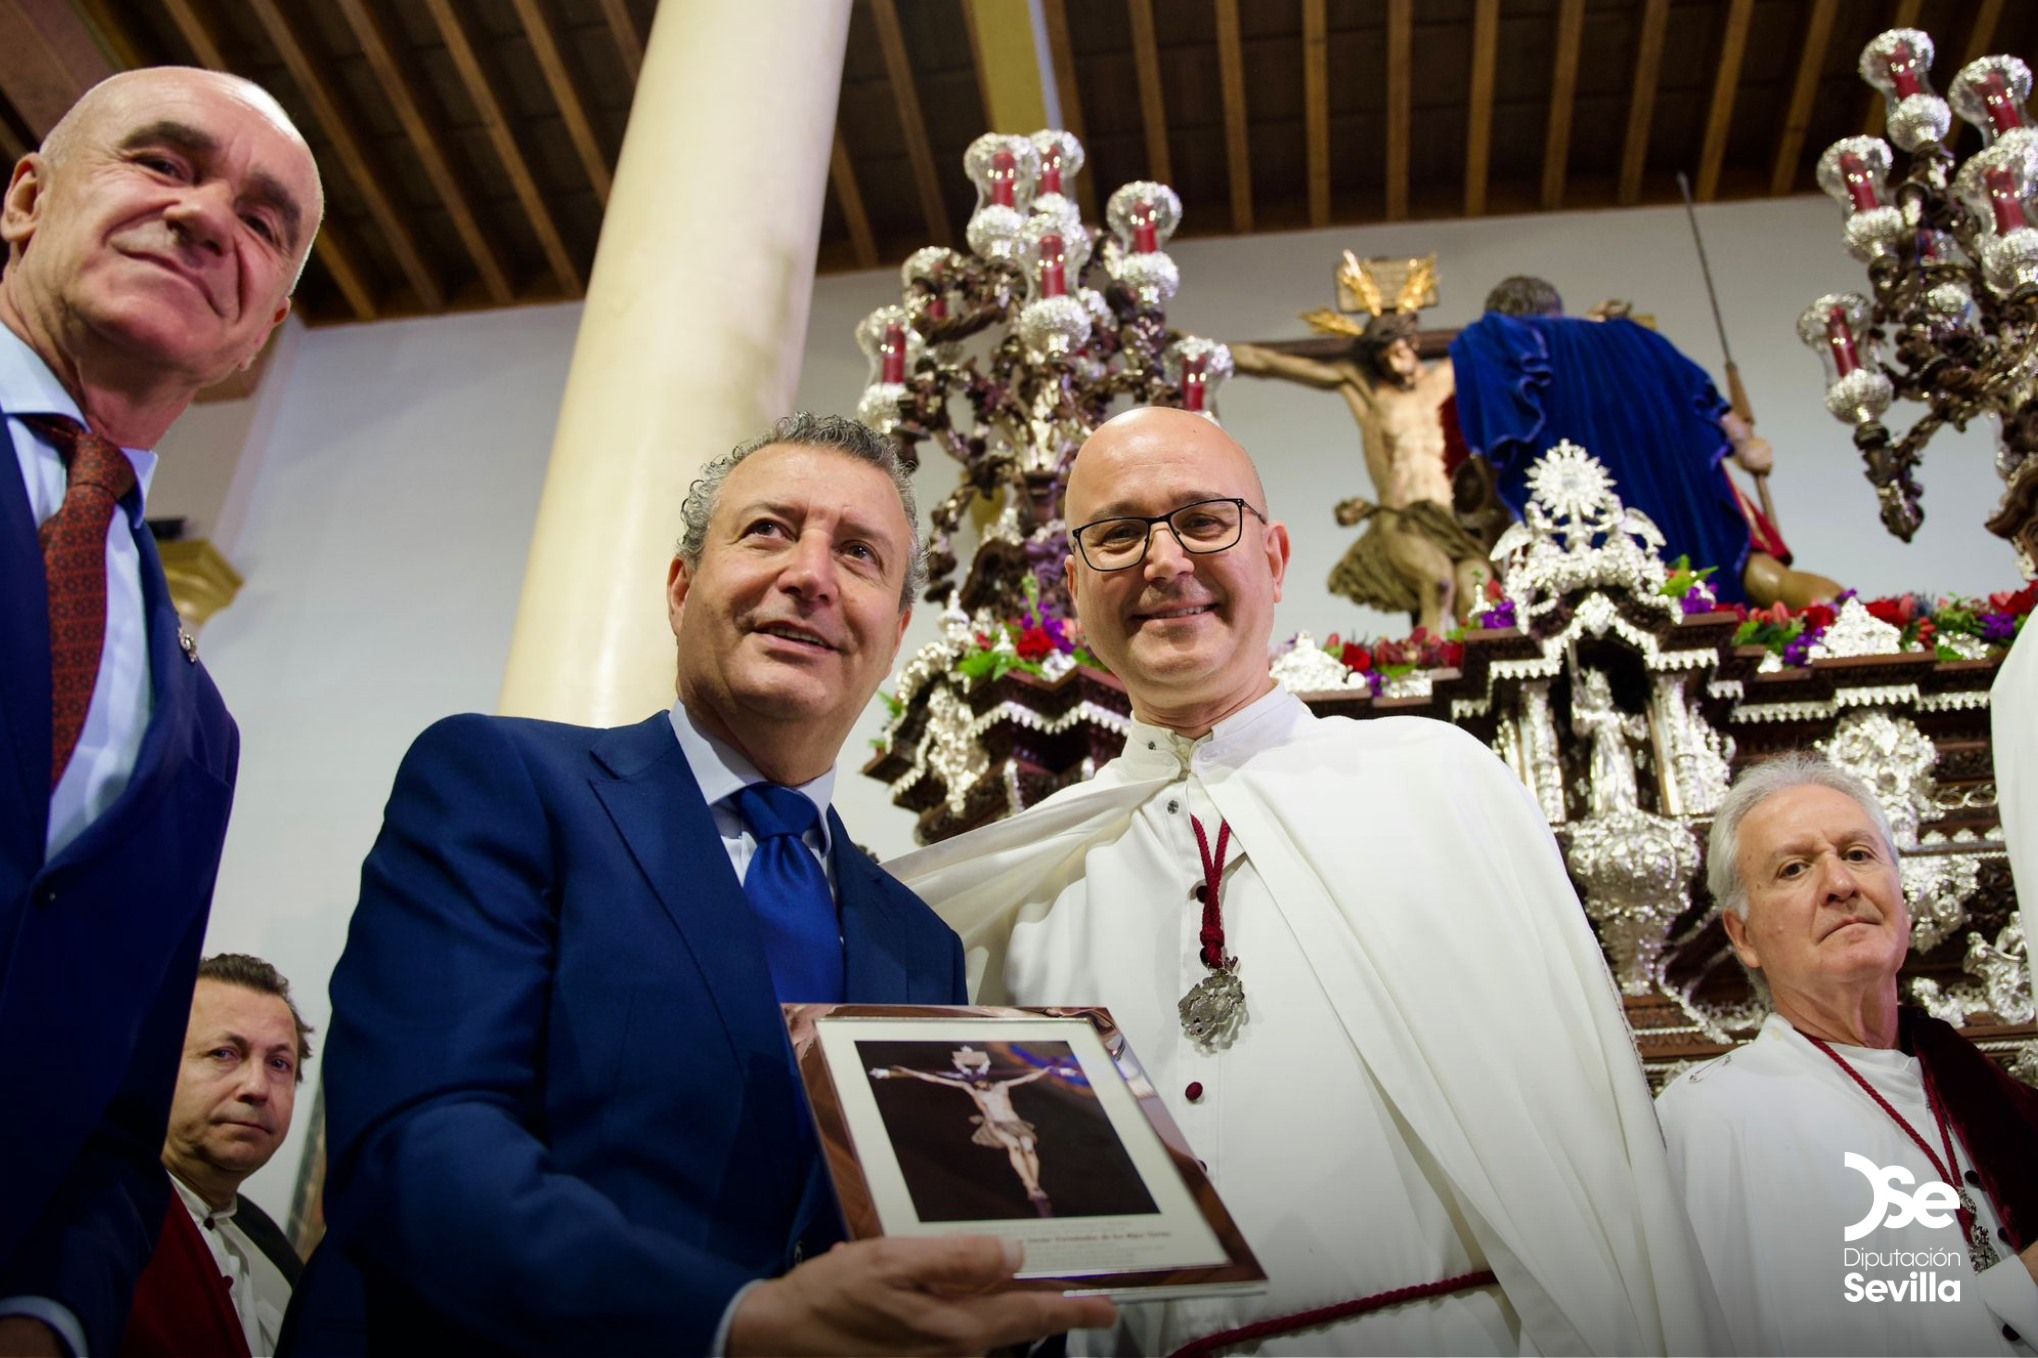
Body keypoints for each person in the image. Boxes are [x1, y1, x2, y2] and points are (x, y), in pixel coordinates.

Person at [892, 405, 1721, 1355]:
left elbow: (1583, 1151)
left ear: (1275, 558)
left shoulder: (1435, 785)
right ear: (1076, 587)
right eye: (1117, 536)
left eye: (1205, 521)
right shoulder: (1028, 889)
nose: (1165, 562)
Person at [282, 414, 1114, 1356]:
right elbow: (420, 1145)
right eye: (768, 530)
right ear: (681, 590)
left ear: (893, 638)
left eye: (859, 554)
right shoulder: (505, 783)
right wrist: (731, 1325)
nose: (810, 575)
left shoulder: (919, 942)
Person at [0, 68, 323, 1358]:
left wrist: (49, 1312)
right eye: (163, 163)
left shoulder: (198, 727)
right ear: (27, 197)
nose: (205, 217)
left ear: (264, 323)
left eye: (263, 220)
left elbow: (120, 1105)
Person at [1657, 754, 2038, 1355]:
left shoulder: (1980, 1088)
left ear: (1901, 896)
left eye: (1859, 854)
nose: (1840, 884)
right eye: (1794, 868)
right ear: (1744, 935)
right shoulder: (1711, 1120)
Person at [1452, 275, 1838, 608]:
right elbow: (1722, 417)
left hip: (1591, 517)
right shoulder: (1637, 337)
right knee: (1768, 580)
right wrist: (1748, 449)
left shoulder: (1493, 340)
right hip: (1684, 494)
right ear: (1557, 308)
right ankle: (1855, 627)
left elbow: (1495, 448)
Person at [1233, 310, 1484, 633]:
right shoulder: (1370, 395)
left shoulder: (1447, 375)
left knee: (1474, 591)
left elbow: (1499, 346)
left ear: (1414, 344)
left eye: (1399, 351)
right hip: (1403, 515)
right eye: (1384, 357)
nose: (1393, 362)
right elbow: (1269, 363)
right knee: (1438, 582)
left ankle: (1483, 667)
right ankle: (1432, 661)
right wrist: (1213, 352)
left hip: (1453, 519)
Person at [124, 955, 313, 1358]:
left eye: (279, 1063)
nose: (257, 1087)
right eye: (224, 1054)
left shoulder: (275, 1254)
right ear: (156, 1067)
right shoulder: (93, 1221)